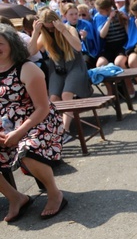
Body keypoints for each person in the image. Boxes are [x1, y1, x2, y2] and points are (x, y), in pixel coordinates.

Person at [0, 25, 67, 220]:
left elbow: (42, 108)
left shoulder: (27, 69)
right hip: (6, 125)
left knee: (27, 150)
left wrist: (19, 133)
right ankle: (16, 198)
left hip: (39, 121)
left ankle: (54, 193)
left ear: (12, 44)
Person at [29, 9, 91, 142]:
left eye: (52, 28)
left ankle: (65, 130)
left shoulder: (68, 28)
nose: (51, 31)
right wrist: (35, 32)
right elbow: (31, 52)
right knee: (54, 97)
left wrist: (62, 30)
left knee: (66, 94)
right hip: (58, 68)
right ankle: (58, 128)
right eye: (48, 29)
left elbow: (78, 47)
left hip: (75, 66)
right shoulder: (45, 34)